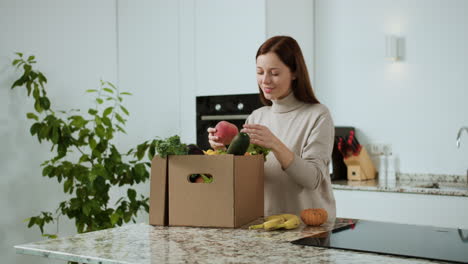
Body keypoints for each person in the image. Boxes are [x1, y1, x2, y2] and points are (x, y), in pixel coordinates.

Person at [207, 36, 336, 224]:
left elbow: (312, 179)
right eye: (260, 72)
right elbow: (243, 178)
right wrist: (220, 149)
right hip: (264, 224)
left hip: (307, 227)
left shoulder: (318, 115)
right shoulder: (257, 117)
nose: (265, 80)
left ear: (294, 73)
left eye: (274, 73)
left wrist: (274, 143)